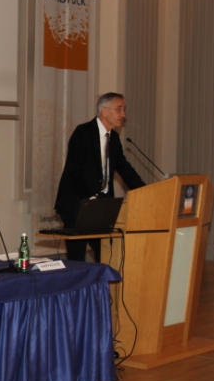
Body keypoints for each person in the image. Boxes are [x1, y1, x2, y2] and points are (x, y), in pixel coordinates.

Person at [54, 92, 146, 261]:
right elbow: (74, 172)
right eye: (119, 109)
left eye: (124, 109)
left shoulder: (114, 138)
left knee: (106, 255)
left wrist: (146, 192)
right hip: (78, 203)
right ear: (104, 110)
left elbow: (125, 169)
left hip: (101, 207)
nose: (123, 114)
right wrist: (90, 197)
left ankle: (103, 280)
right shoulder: (83, 133)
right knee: (77, 259)